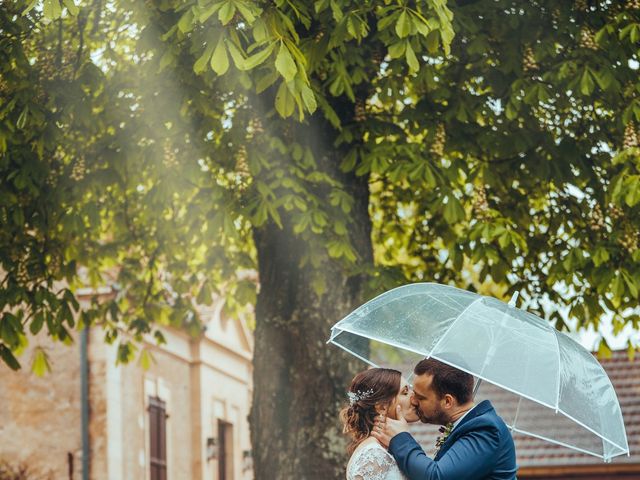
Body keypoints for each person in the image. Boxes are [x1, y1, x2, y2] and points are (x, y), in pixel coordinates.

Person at [371, 358, 518, 480]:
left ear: (448, 401)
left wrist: (401, 438)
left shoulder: (486, 430)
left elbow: (436, 477)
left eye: (421, 397)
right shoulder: (467, 424)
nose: (414, 401)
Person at [341, 368, 420, 480]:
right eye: (405, 392)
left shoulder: (387, 448)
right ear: (382, 407)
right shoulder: (373, 455)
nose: (415, 398)